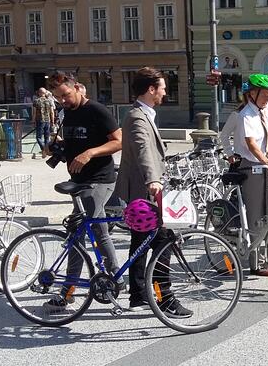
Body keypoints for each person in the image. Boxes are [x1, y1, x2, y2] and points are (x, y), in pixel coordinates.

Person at [114, 68, 191, 317]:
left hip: (143, 189)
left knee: (141, 242)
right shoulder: (138, 117)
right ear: (151, 89)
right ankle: (164, 297)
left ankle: (138, 294)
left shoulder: (143, 113)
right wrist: (153, 179)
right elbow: (142, 149)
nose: (165, 92)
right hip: (144, 190)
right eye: (162, 87)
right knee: (162, 243)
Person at [46, 72, 121, 309]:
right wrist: (56, 147)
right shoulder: (66, 112)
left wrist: (90, 153)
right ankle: (110, 279)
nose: (63, 101)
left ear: (78, 88)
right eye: (58, 98)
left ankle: (108, 279)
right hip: (78, 182)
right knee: (86, 231)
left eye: (66, 95)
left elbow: (119, 141)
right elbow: (74, 143)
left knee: (87, 230)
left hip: (99, 179)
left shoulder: (97, 110)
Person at [235, 73, 268, 275]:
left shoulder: (263, 112)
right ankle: (256, 264)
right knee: (257, 216)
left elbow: (261, 139)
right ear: (252, 93)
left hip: (265, 167)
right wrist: (267, 161)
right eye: (264, 94)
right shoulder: (246, 114)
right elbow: (251, 144)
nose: (267, 98)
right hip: (252, 167)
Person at [32, 87, 55, 158]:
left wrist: (33, 120)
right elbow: (52, 112)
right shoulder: (49, 101)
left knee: (38, 137)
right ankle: (46, 150)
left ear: (39, 93)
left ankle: (43, 150)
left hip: (40, 120)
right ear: (45, 93)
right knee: (46, 137)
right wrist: (52, 121)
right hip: (47, 120)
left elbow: (34, 112)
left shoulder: (36, 101)